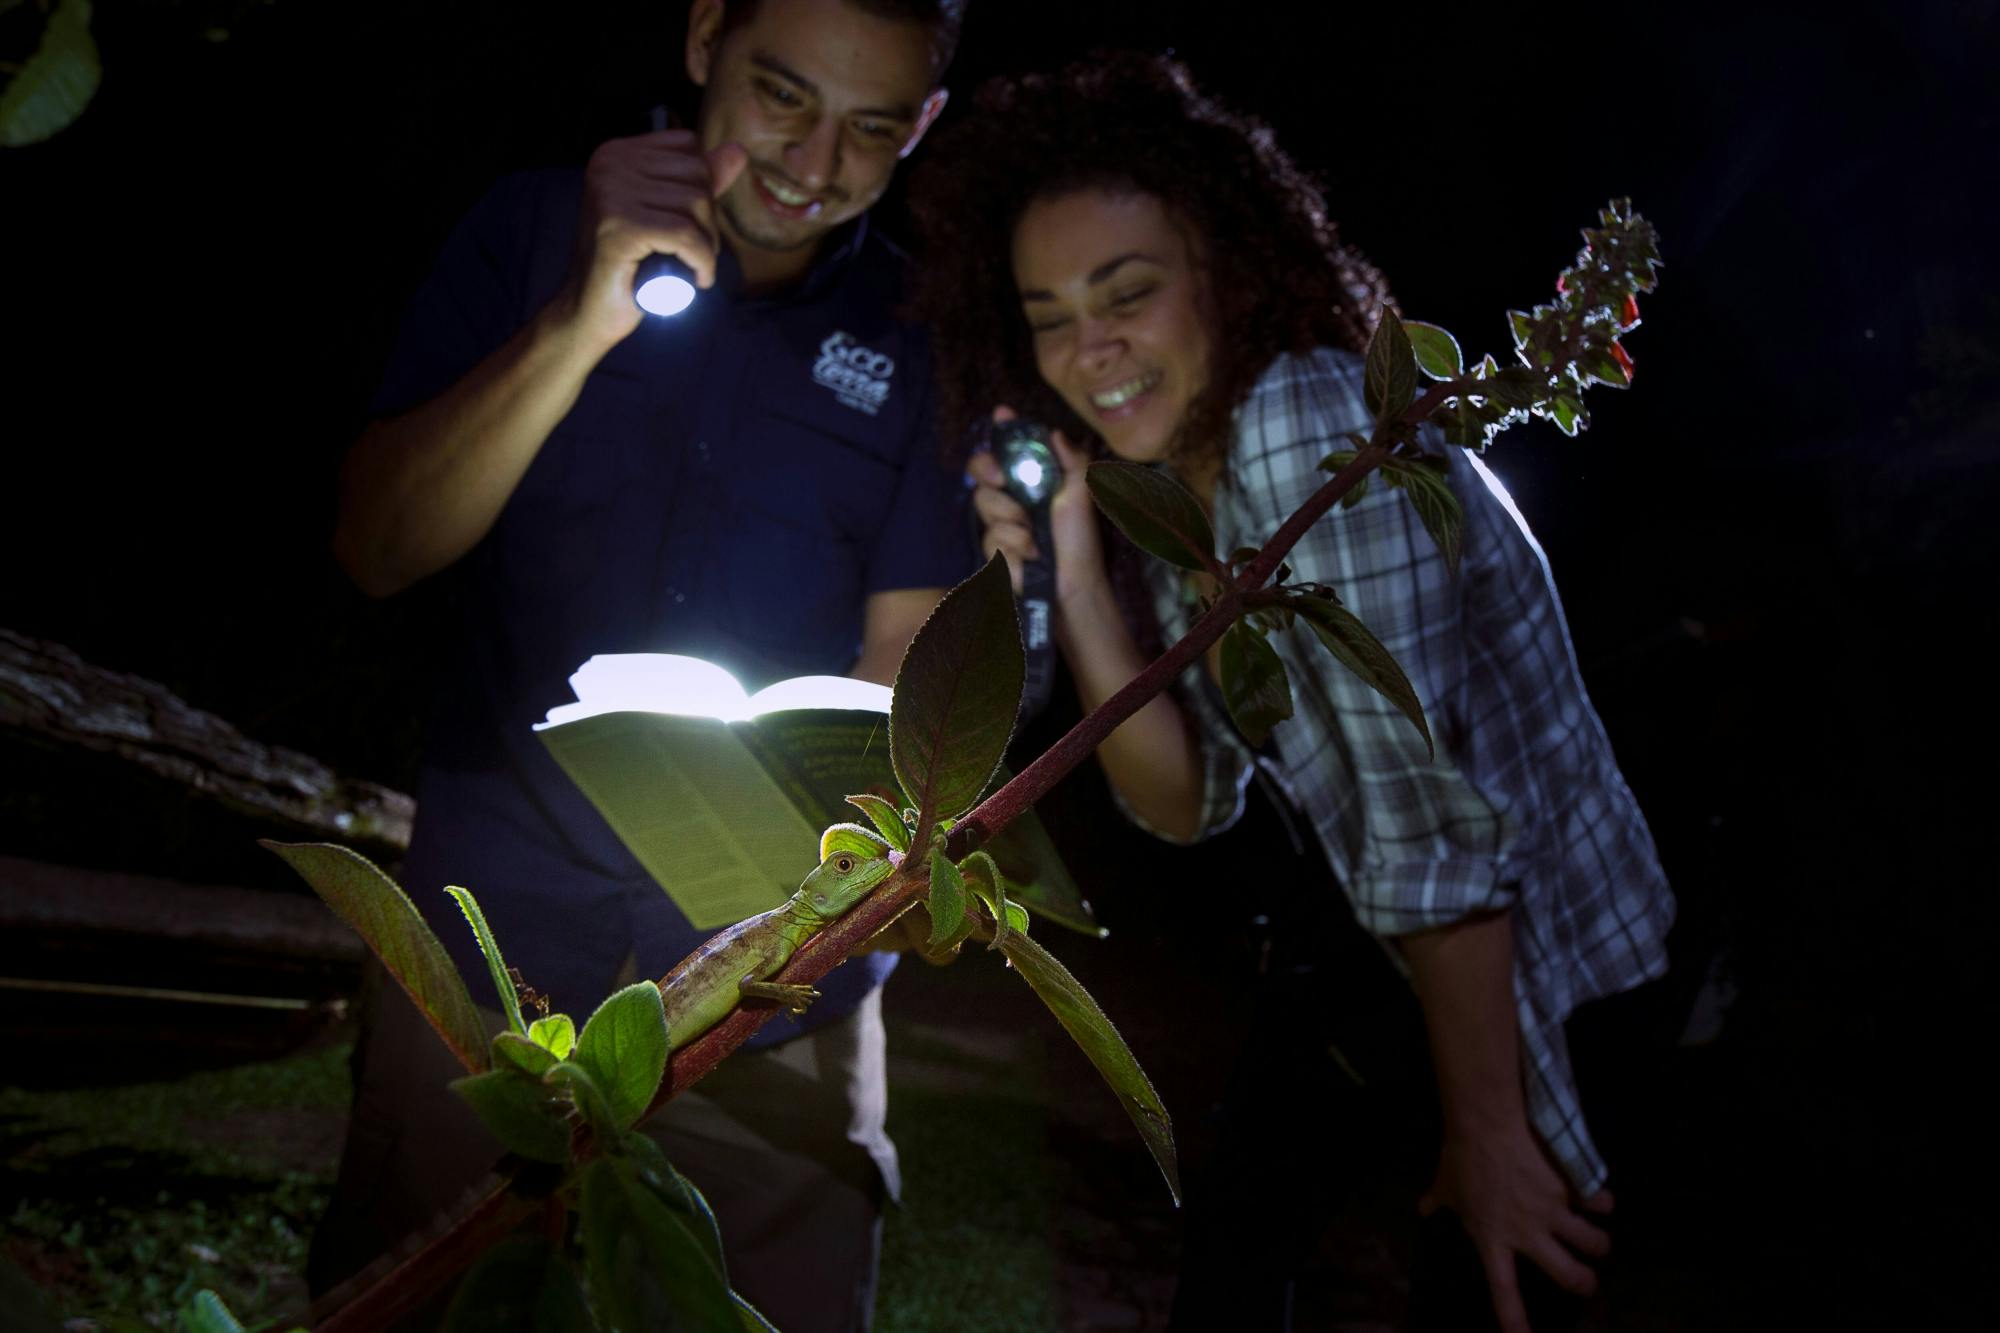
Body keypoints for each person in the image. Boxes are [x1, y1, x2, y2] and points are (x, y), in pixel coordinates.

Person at [907, 53, 1675, 1333]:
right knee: (1234, 1244)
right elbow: (1186, 801)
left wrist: (1489, 1130)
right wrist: (1080, 559)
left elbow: (1428, 817)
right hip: (1386, 970)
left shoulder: (1302, 427)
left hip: (1544, 993)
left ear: (1221, 268)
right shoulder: (1198, 480)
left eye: (1126, 293)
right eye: (1046, 313)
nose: (1085, 350)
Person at [312, 2, 970, 1328]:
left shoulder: (922, 339)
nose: (813, 159)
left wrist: (849, 868)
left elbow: (915, 666)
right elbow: (378, 547)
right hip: (493, 930)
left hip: (774, 971)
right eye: (781, 94)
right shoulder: (531, 228)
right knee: (414, 1297)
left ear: (926, 128)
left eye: (872, 128)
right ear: (703, 38)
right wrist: (579, 317)